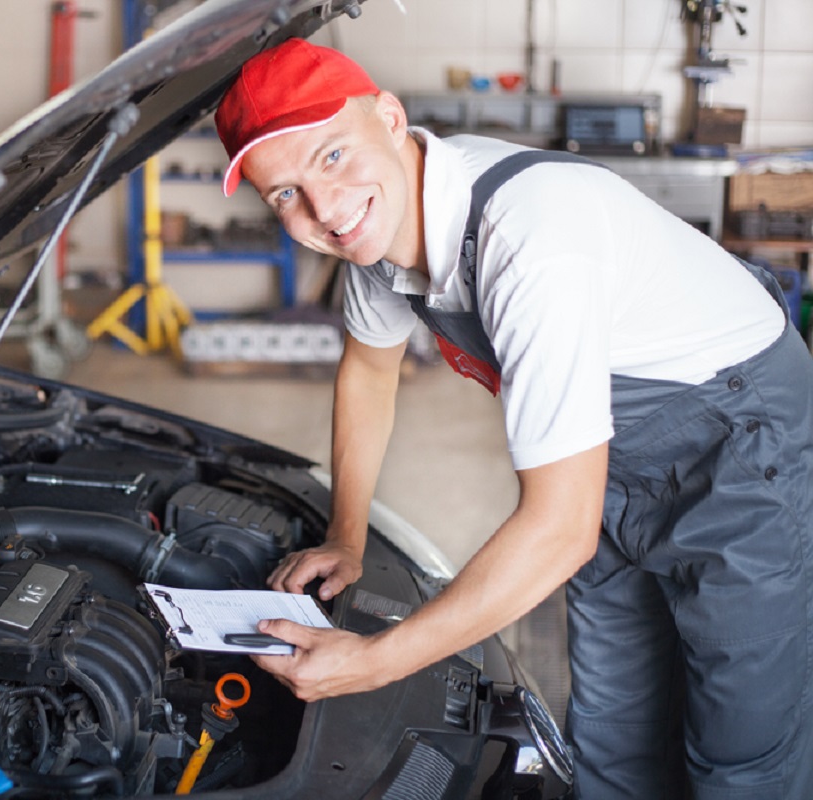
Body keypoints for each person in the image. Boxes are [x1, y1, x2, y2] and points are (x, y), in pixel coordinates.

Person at [213, 37, 813, 800]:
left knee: (740, 744)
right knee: (616, 723)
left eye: (331, 157)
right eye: (284, 194)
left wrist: (375, 661)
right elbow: (369, 372)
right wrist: (347, 536)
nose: (324, 211)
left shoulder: (528, 237)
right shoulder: (376, 245)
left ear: (389, 119)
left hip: (733, 437)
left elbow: (559, 528)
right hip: (613, 459)